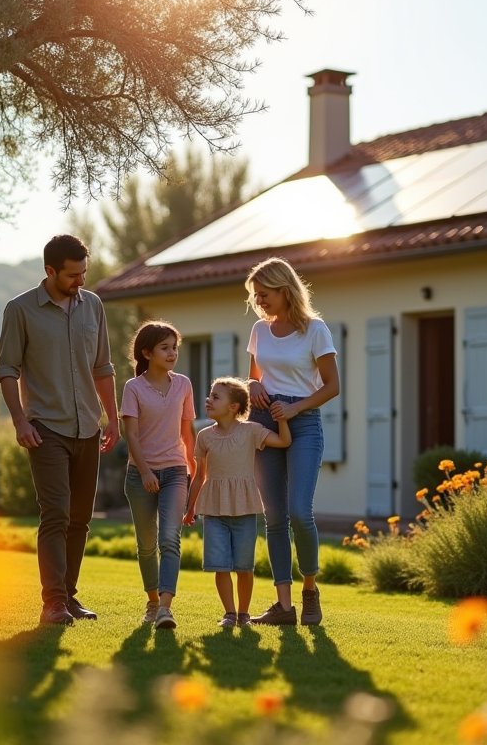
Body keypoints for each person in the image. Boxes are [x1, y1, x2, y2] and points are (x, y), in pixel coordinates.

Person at [0, 234, 119, 626]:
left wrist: (112, 418)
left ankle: (70, 596)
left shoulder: (93, 306)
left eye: (84, 273)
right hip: (45, 428)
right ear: (50, 271)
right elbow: (7, 371)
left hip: (88, 426)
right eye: (73, 275)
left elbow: (103, 367)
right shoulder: (20, 310)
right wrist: (19, 421)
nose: (81, 281)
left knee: (81, 517)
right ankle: (53, 602)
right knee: (56, 514)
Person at [244, 257, 339, 626]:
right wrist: (252, 385)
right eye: (255, 296)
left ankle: (310, 591)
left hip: (303, 425)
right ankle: (283, 607)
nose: (259, 302)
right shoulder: (259, 330)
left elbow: (332, 386)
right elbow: (256, 378)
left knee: (300, 510)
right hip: (264, 422)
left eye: (264, 295)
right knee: (274, 517)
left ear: (285, 290)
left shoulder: (315, 330)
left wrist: (295, 408)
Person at [184, 377, 290, 627]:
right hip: (214, 509)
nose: (208, 400)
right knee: (220, 565)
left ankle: (244, 614)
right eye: (210, 395)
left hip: (244, 508)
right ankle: (229, 613)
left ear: (233, 407)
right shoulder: (204, 437)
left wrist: (283, 418)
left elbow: (284, 442)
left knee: (245, 567)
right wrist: (190, 510)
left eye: (216, 397)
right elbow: (199, 477)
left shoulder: (251, 431)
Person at [120, 321, 196, 630]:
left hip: (176, 471)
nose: (172, 353)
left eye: (175, 347)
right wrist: (146, 471)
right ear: (147, 352)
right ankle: (152, 602)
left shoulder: (184, 385)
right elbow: (132, 436)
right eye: (165, 348)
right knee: (147, 545)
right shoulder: (133, 388)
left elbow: (186, 431)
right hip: (140, 475)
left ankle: (165, 609)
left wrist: (191, 468)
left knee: (169, 538)